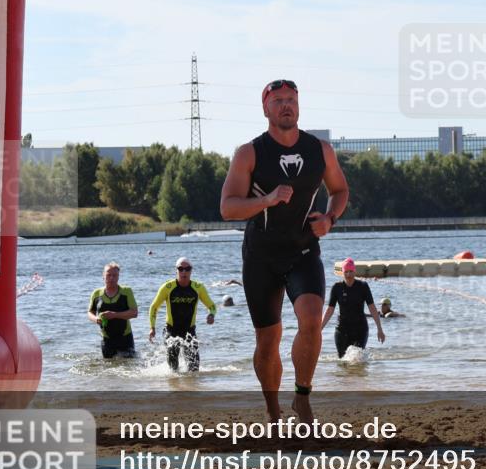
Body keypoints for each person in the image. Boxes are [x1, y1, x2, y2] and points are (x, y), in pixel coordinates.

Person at [219, 78, 349, 422]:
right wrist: (266, 199)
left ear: (299, 105)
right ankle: (273, 410)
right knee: (268, 340)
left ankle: (302, 395)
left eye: (291, 99)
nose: (286, 105)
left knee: (311, 321)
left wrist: (330, 219)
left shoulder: (319, 150)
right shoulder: (249, 153)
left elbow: (340, 190)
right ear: (265, 109)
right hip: (261, 257)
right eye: (278, 101)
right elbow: (228, 207)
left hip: (303, 250)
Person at [148, 257, 216, 372]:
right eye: (181, 269)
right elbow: (154, 307)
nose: (184, 272)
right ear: (176, 270)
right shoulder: (167, 287)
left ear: (191, 270)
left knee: (194, 369)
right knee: (173, 371)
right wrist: (152, 327)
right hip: (171, 331)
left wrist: (211, 315)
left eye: (187, 269)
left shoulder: (198, 288)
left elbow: (212, 306)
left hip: (189, 332)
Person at [322, 258, 385, 357]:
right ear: (342, 273)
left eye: (351, 271)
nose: (348, 275)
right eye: (346, 272)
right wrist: (319, 329)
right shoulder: (336, 288)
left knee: (358, 359)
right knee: (342, 360)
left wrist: (379, 329)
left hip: (360, 329)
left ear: (354, 271)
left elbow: (372, 308)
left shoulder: (363, 286)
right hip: (342, 330)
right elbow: (330, 310)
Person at [87, 262, 139, 359]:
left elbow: (134, 313)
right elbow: (90, 313)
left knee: (129, 367)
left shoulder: (126, 291)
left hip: (125, 337)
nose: (111, 278)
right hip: (107, 339)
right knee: (108, 368)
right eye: (108, 275)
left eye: (115, 275)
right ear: (103, 276)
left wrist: (114, 315)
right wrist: (97, 319)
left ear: (118, 277)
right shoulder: (96, 293)